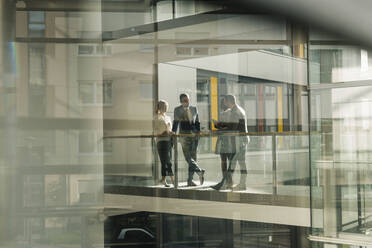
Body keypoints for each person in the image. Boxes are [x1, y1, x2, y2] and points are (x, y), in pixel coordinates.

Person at [172, 93, 205, 187]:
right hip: (184, 136)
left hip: (194, 137)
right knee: (188, 157)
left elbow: (197, 122)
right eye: (184, 100)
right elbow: (176, 122)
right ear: (181, 101)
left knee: (193, 158)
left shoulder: (194, 108)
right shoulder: (177, 110)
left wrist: (198, 133)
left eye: (188, 100)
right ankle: (199, 172)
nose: (187, 102)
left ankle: (190, 180)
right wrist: (173, 131)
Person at [224, 94, 249, 190]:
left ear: (229, 101)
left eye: (225, 101)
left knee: (234, 162)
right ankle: (240, 183)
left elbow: (232, 128)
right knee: (241, 162)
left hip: (239, 140)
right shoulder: (239, 109)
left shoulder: (235, 112)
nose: (224, 103)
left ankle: (230, 183)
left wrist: (220, 128)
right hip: (243, 139)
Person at [212, 97, 235, 190]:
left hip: (226, 140)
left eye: (222, 103)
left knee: (225, 162)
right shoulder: (226, 113)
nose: (221, 105)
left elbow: (225, 126)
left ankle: (227, 181)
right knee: (226, 161)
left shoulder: (227, 113)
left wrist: (217, 125)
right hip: (225, 140)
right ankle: (228, 181)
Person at [154, 100, 175, 187]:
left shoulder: (168, 117)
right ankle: (174, 180)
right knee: (167, 162)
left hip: (169, 141)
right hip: (161, 141)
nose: (166, 108)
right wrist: (164, 133)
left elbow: (169, 129)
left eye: (167, 107)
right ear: (161, 107)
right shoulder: (157, 117)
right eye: (165, 107)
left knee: (165, 161)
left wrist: (171, 133)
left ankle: (163, 180)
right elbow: (155, 131)